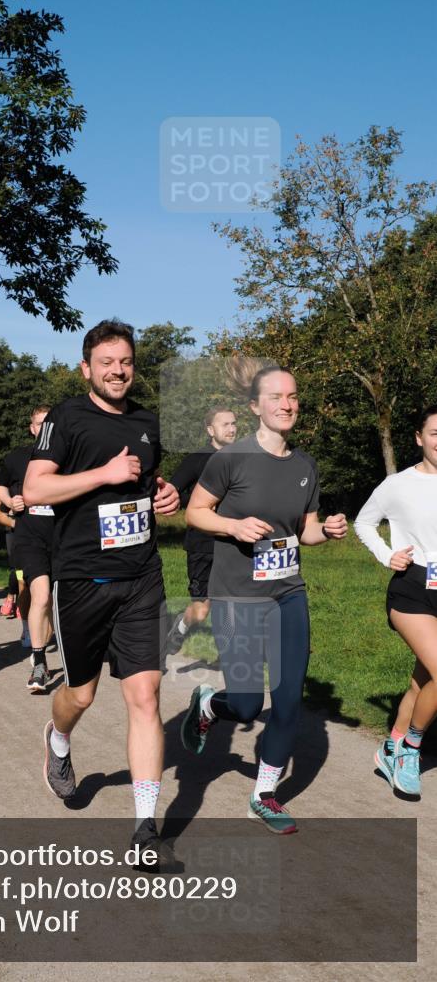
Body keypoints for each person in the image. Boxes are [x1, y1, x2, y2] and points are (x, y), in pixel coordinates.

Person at [23, 320, 181, 867]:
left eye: (127, 362)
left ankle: (144, 828)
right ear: (86, 367)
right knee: (82, 695)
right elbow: (35, 488)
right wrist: (102, 473)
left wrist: (166, 494)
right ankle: (59, 738)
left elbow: (147, 481)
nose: (119, 371)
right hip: (84, 579)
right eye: (108, 362)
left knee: (145, 697)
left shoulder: (146, 422)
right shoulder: (68, 418)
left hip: (142, 576)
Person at [181, 356, 347, 835]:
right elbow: (195, 513)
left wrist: (328, 530)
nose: (287, 404)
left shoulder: (304, 465)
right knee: (250, 704)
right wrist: (232, 525)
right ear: (256, 406)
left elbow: (305, 531)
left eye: (292, 396)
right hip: (237, 597)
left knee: (289, 700)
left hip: (288, 593)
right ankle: (212, 705)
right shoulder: (231, 458)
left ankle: (265, 794)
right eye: (276, 396)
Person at [354, 404, 437, 799]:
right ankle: (411, 750)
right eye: (435, 433)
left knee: (423, 679)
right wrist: (387, 555)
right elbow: (364, 522)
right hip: (413, 589)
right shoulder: (398, 484)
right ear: (419, 438)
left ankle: (392, 744)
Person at [165, 406, 237, 653]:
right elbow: (173, 491)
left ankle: (233, 652)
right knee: (202, 609)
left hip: (235, 542)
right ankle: (181, 628)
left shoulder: (244, 457)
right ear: (210, 430)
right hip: (202, 545)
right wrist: (200, 507)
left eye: (233, 423)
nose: (231, 428)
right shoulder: (197, 459)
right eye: (225, 424)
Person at [0, 406, 55, 691]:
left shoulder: (69, 458)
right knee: (40, 595)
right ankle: (40, 662)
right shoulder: (18, 457)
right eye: (38, 424)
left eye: (48, 424)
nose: (43, 428)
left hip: (64, 540)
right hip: (30, 539)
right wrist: (10, 502)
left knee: (63, 603)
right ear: (32, 428)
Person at [0, 497, 20, 618]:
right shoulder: (10, 486)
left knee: (23, 568)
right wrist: (11, 505)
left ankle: (20, 601)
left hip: (32, 528)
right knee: (15, 566)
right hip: (12, 528)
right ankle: (10, 596)